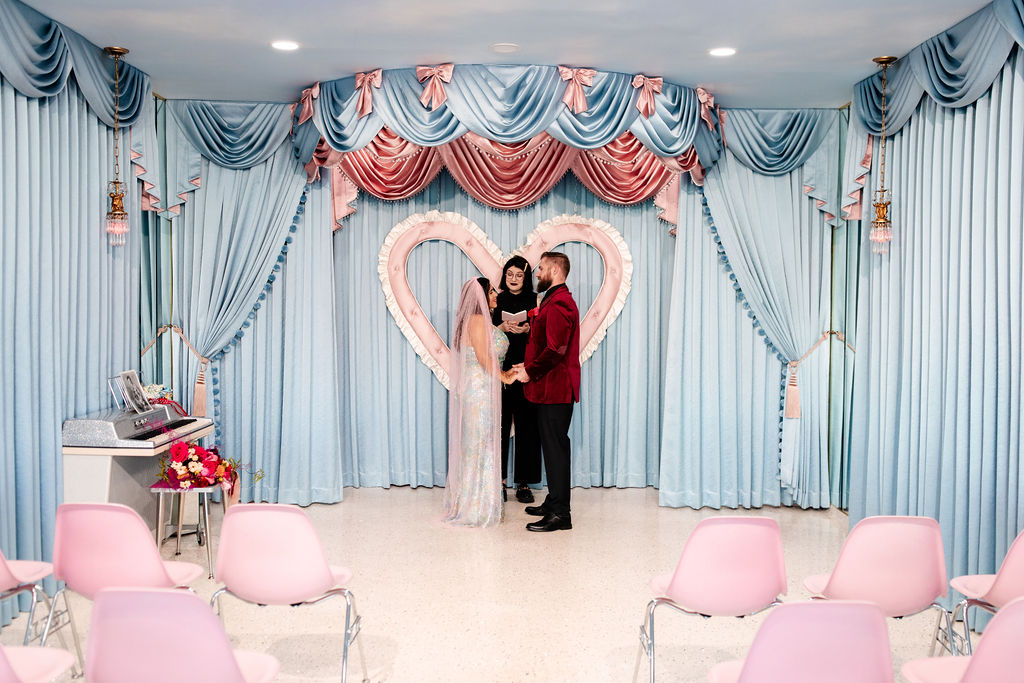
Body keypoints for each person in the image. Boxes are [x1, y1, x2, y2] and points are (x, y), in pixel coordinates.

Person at [509, 252, 580, 532]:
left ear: (553, 268)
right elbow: (545, 344)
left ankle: (561, 515)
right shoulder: (553, 300)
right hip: (549, 389)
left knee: (556, 451)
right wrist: (526, 363)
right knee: (552, 450)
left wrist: (529, 371)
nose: (536, 274)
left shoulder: (560, 302)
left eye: (539, 268)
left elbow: (556, 349)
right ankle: (553, 502)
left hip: (556, 390)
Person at [442, 277, 509, 527]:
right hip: (480, 391)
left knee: (478, 444)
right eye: (491, 292)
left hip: (477, 389)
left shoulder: (473, 321)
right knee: (481, 445)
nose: (495, 296)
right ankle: (478, 507)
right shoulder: (479, 320)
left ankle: (475, 501)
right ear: (481, 296)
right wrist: (504, 376)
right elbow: (483, 357)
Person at [491, 256, 542, 503]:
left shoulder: (535, 300)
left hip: (526, 371)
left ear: (526, 277)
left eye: (518, 275)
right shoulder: (496, 299)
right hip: (500, 371)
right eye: (509, 274)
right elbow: (482, 333)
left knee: (527, 427)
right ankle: (499, 482)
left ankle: (523, 483)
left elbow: (544, 334)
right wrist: (502, 326)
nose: (513, 279)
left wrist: (528, 329)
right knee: (499, 426)